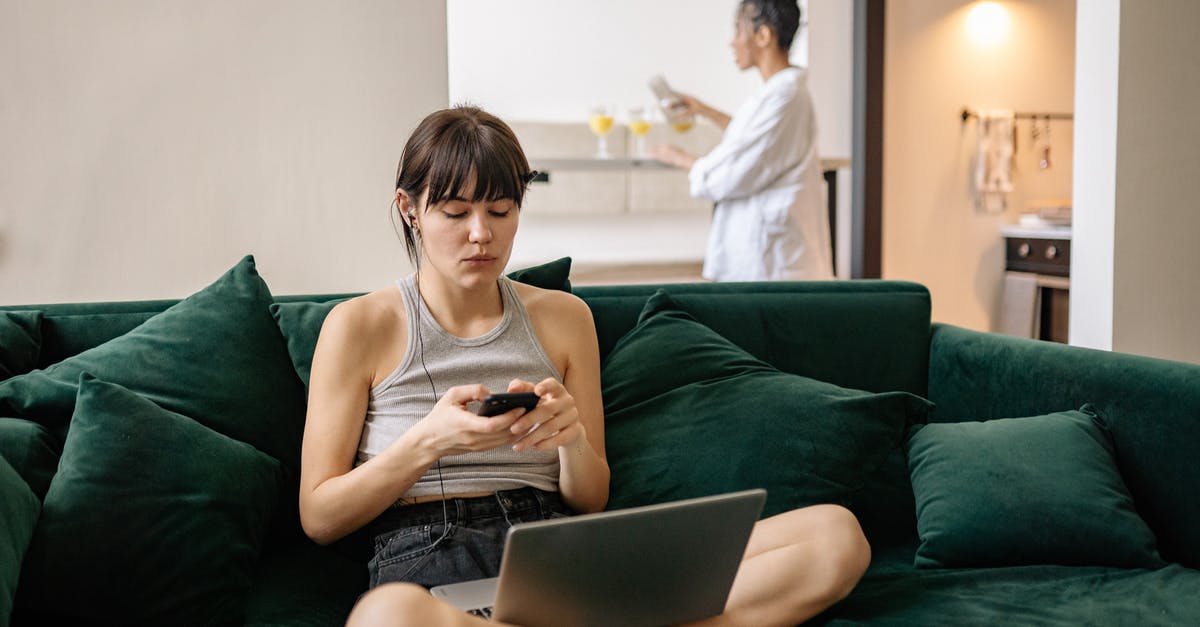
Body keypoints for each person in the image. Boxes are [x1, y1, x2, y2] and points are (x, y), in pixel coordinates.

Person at [298, 105, 869, 627]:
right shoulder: (357, 327)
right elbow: (319, 515)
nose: (482, 233)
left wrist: (570, 441)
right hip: (431, 565)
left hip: (559, 558)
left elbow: (590, 499)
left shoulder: (565, 319)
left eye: (501, 210)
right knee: (386, 617)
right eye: (456, 212)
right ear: (410, 209)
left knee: (833, 535)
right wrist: (428, 441)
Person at [650, 0, 834, 282]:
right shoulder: (778, 93)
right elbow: (749, 138)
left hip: (773, 263)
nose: (732, 42)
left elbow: (733, 173)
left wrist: (679, 158)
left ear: (763, 36)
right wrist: (703, 109)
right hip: (768, 257)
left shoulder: (785, 96)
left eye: (738, 30)